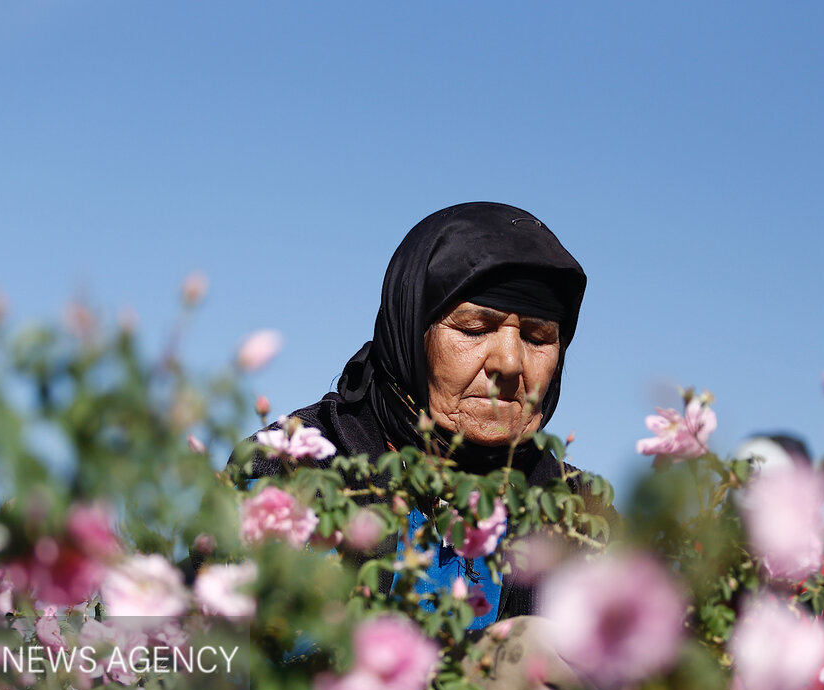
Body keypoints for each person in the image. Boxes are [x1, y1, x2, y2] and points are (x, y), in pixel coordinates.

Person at [231, 201, 604, 627]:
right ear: (410, 334)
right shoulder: (294, 473)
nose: (510, 363)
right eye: (474, 329)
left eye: (539, 338)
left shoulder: (583, 517)